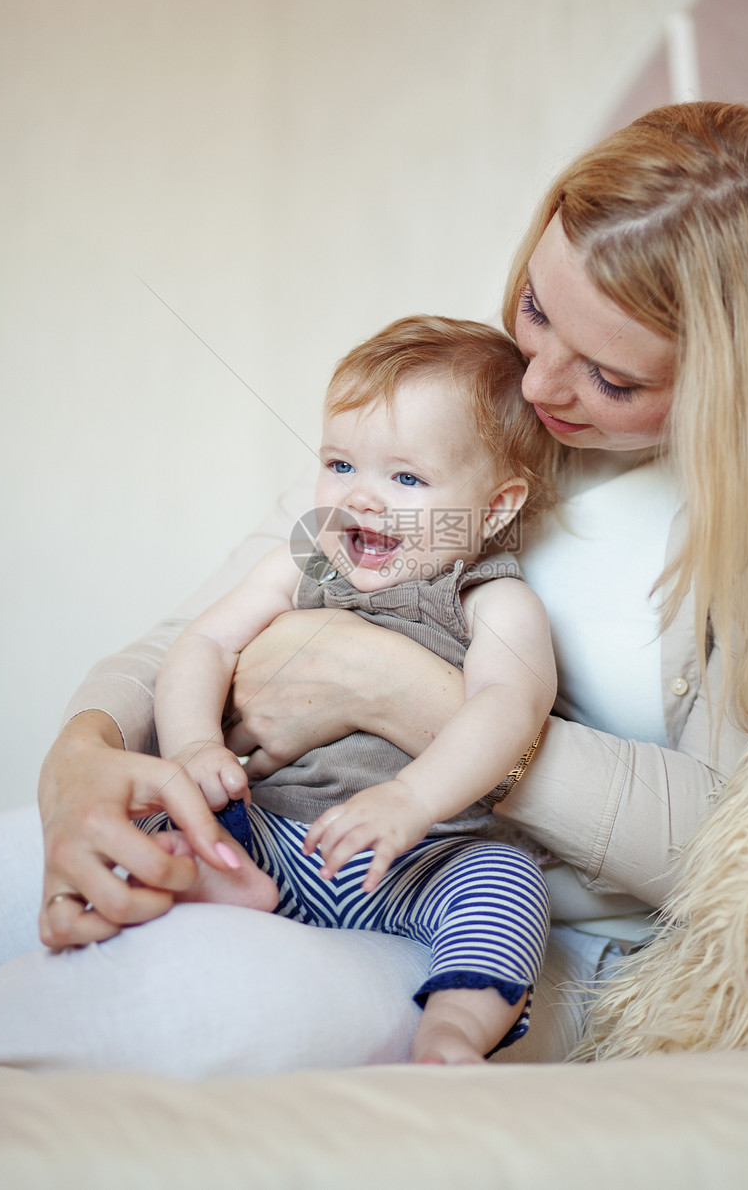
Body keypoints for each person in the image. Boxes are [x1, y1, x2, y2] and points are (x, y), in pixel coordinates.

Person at [0, 101, 748, 1077]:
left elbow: (733, 848)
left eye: (608, 377)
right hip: (292, 832)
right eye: (536, 309)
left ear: (738, 381)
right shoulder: (466, 423)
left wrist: (393, 690)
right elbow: (189, 634)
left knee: (175, 999)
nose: (540, 382)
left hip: (499, 923)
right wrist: (79, 763)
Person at [145, 316, 555, 1064]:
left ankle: (456, 1027)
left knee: (508, 883)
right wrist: (195, 746)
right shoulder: (305, 566)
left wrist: (413, 800)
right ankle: (218, 881)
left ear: (495, 508)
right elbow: (201, 643)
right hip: (272, 835)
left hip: (423, 860)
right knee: (156, 817)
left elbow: (510, 708)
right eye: (339, 465)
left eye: (405, 478)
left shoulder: (490, 600)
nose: (360, 499)